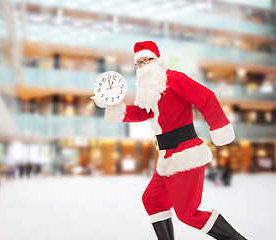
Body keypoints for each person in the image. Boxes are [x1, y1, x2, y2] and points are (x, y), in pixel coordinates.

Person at [92, 41, 246, 240]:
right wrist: (113, 105)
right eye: (138, 63)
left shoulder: (173, 78)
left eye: (146, 60)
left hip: (185, 154)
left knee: (188, 214)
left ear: (156, 60)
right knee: (152, 200)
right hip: (167, 156)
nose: (142, 66)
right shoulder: (151, 92)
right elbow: (140, 112)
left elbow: (206, 97)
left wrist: (219, 127)